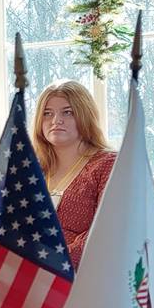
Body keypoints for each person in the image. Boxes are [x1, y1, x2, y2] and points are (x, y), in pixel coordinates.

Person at [31, 80, 116, 269]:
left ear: (85, 116)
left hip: (86, 274)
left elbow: (106, 228)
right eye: (47, 113)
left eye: (67, 112)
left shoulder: (108, 164)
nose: (56, 120)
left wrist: (56, 263)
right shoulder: (31, 170)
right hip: (31, 275)